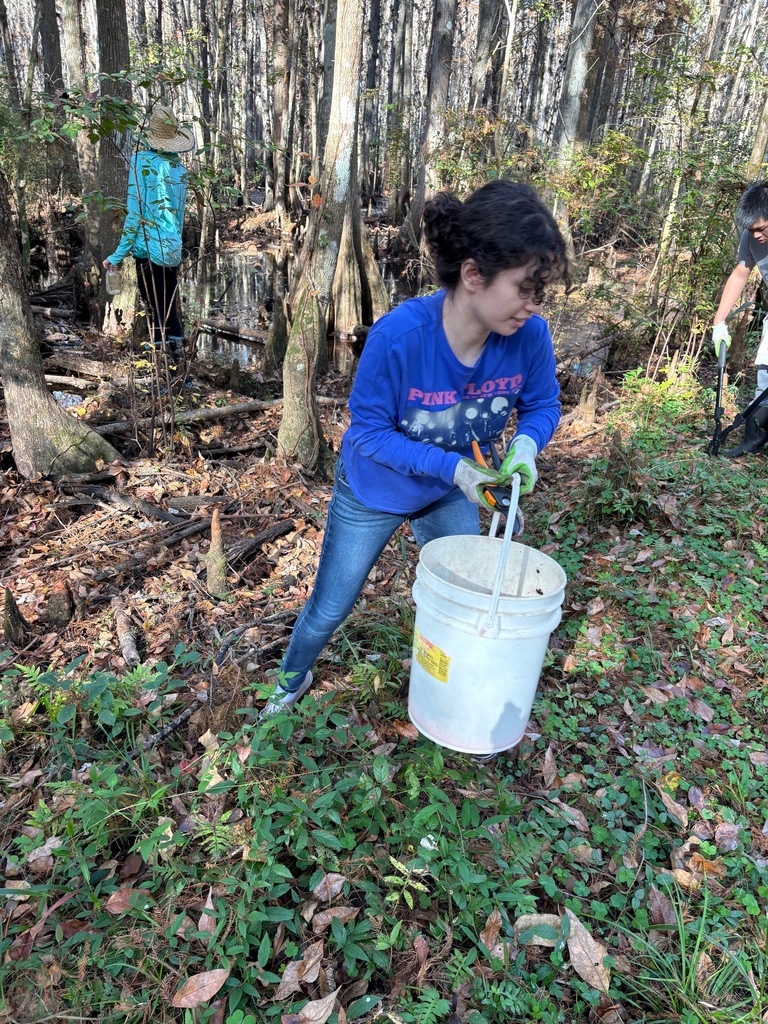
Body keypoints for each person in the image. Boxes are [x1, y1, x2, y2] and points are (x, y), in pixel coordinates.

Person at [261, 179, 571, 717]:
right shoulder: (399, 338)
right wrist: (454, 468)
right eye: (523, 287)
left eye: (538, 291)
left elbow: (542, 405)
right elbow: (368, 435)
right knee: (331, 606)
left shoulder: (530, 337)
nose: (531, 304)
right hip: (375, 488)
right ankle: (288, 682)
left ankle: (448, 694)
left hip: (453, 487)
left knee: (464, 597)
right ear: (473, 274)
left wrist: (523, 446)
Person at [102, 103, 195, 382]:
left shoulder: (141, 162)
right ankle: (182, 374)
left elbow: (134, 214)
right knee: (170, 308)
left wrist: (118, 255)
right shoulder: (179, 168)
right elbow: (177, 217)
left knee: (156, 312)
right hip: (172, 247)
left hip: (149, 249)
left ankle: (167, 377)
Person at [712, 180, 768, 455]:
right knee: (765, 379)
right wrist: (718, 322)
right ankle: (753, 443)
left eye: (761, 229)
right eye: (751, 230)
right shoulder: (751, 239)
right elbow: (739, 274)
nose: (756, 236)